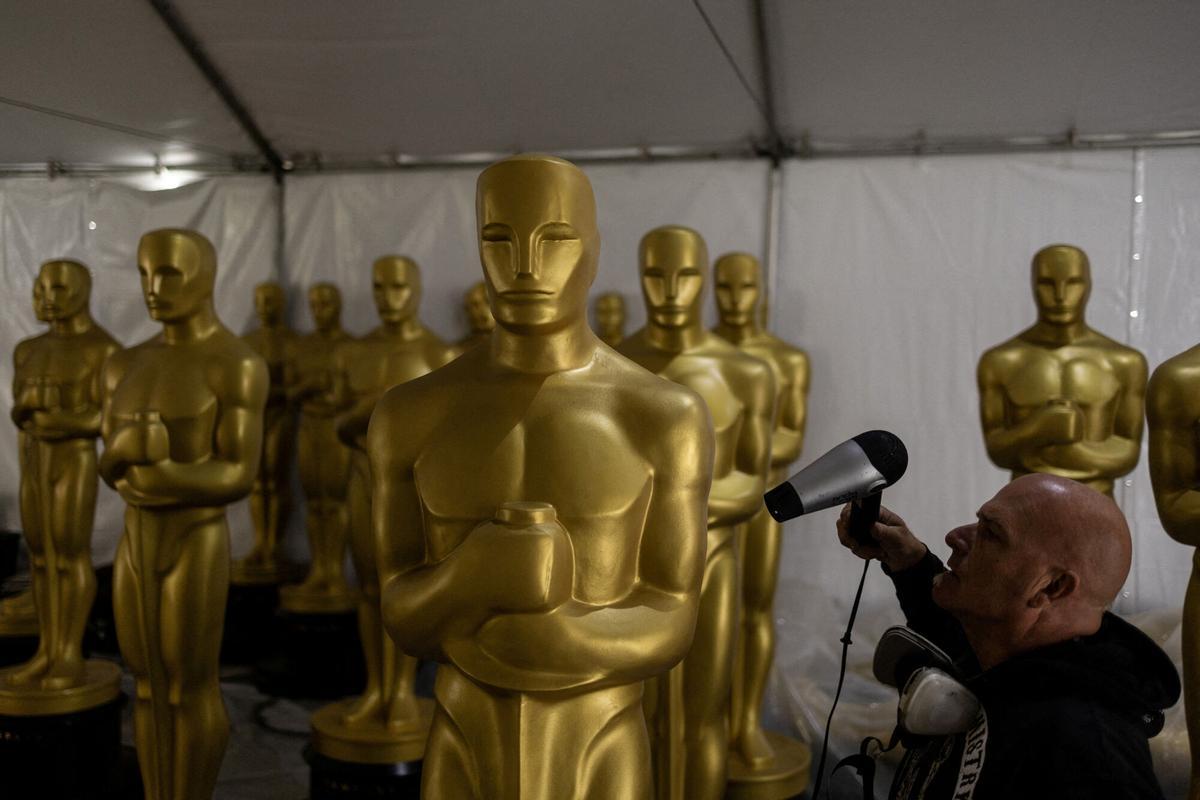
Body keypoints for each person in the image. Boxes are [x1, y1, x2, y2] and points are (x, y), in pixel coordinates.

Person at [836, 473, 1179, 799]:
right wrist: (911, 562)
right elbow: (954, 637)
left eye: (991, 533)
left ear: (1051, 587)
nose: (955, 535)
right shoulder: (1008, 658)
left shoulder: (1084, 754)